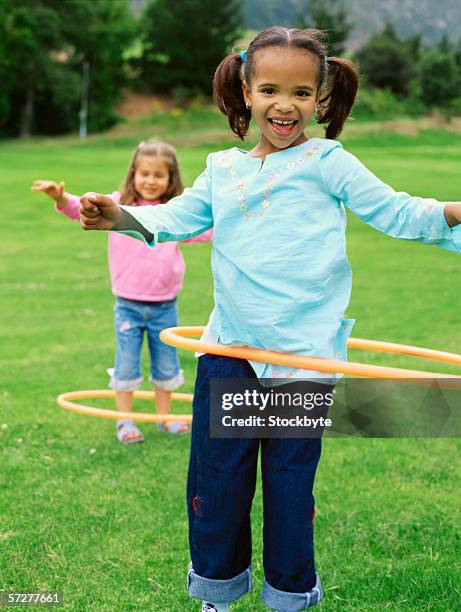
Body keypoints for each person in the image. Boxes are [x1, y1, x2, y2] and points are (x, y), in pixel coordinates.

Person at [77, 27, 461, 612]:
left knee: (288, 486)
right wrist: (121, 216)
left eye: (303, 93)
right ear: (247, 92)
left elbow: (399, 211)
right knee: (219, 483)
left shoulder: (328, 161)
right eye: (271, 90)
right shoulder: (222, 168)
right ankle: (217, 593)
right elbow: (178, 216)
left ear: (320, 99)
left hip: (301, 358)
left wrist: (454, 210)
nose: (286, 105)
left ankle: (289, 595)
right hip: (231, 350)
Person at [32, 139, 212, 444]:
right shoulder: (118, 206)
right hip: (128, 305)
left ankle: (164, 418)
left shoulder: (172, 213)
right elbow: (81, 209)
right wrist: (62, 197)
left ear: (171, 179)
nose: (151, 181)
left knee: (166, 365)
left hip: (165, 305)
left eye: (159, 175)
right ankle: (125, 422)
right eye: (145, 173)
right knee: (126, 365)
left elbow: (202, 230)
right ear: (133, 174)